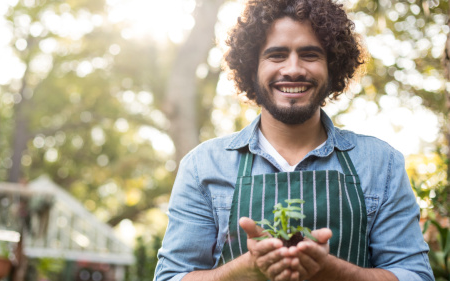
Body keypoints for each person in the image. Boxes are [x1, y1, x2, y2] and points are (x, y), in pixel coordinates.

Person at [154, 0, 435, 280]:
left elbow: (415, 275)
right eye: (276, 55)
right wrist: (245, 270)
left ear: (332, 66)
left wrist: (334, 272)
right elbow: (170, 277)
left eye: (310, 55)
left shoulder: (381, 163)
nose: (293, 69)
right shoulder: (203, 166)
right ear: (252, 68)